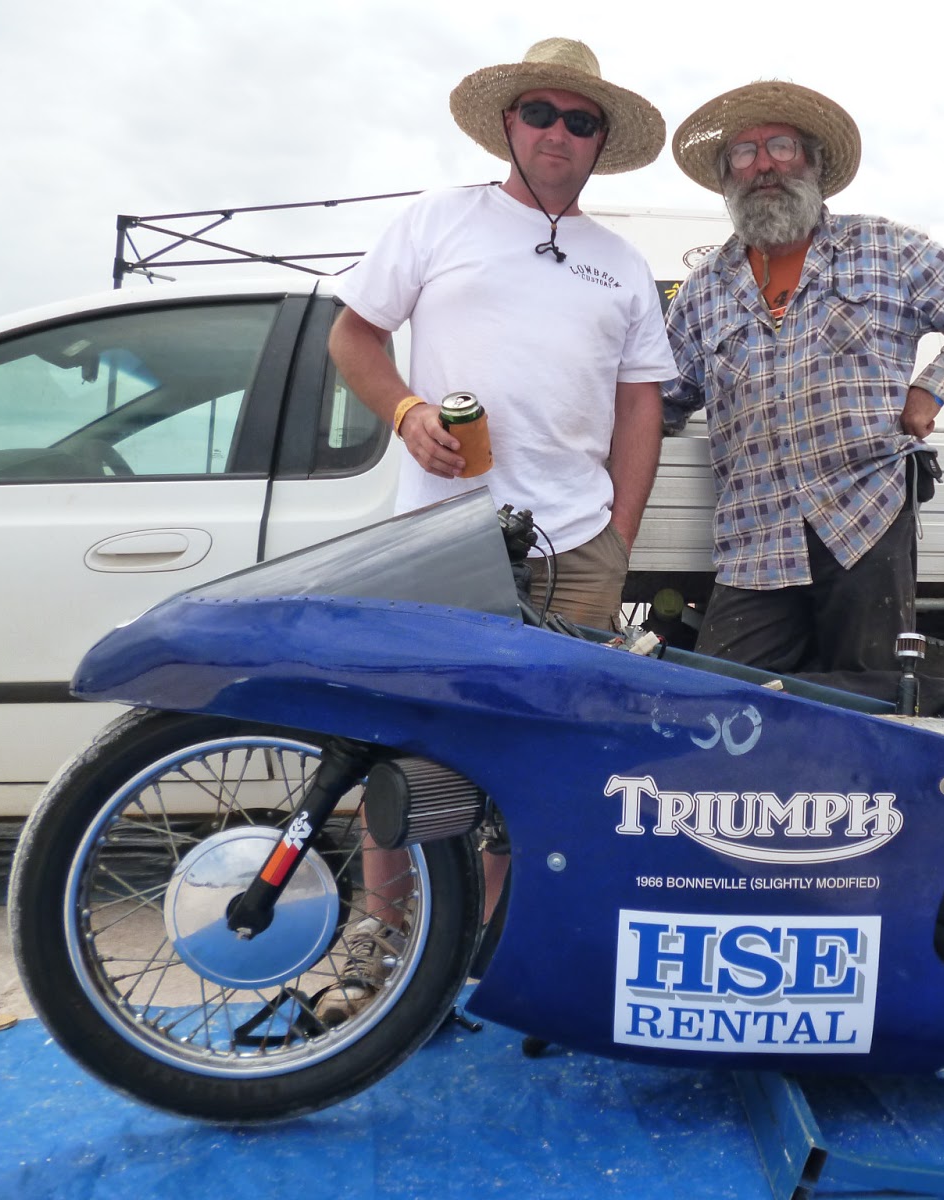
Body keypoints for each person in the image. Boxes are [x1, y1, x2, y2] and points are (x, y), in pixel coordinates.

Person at [319, 37, 673, 1024]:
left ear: (600, 142)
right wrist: (405, 413)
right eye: (541, 113)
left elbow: (639, 405)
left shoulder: (621, 264)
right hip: (443, 535)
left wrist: (620, 534)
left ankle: (480, 962)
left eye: (580, 120)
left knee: (535, 763)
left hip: (577, 546)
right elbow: (354, 334)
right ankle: (381, 945)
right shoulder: (440, 218)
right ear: (510, 124)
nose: (559, 132)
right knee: (404, 745)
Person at [663, 81, 944, 683]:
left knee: (870, 698)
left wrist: (933, 388)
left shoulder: (883, 246)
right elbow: (662, 395)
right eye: (745, 153)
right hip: (755, 536)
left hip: (864, 518)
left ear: (813, 163)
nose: (764, 165)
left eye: (781, 146)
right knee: (722, 700)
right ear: (728, 177)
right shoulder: (704, 288)